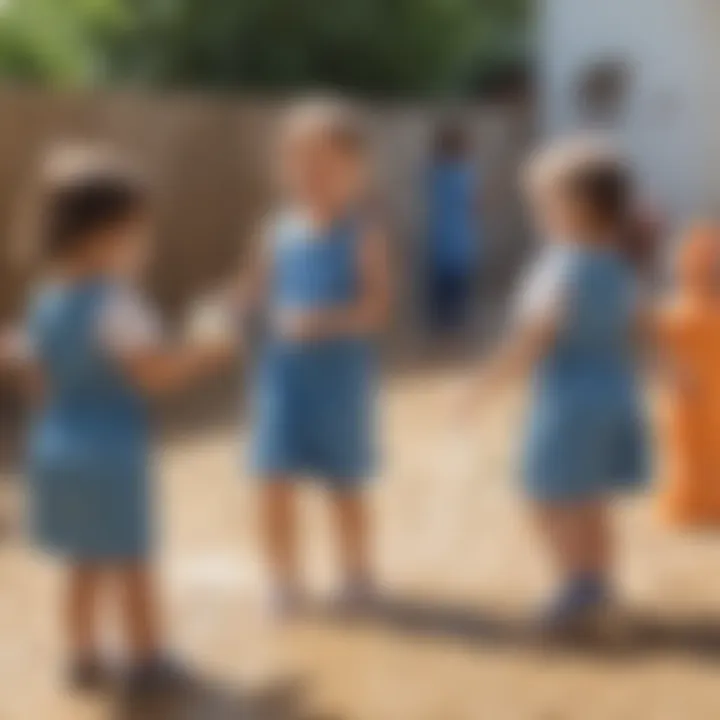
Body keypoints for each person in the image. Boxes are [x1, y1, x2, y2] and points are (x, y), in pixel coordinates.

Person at [21, 146, 235, 693]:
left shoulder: (45, 300)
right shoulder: (117, 303)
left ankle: (82, 658)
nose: (145, 247)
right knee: (133, 561)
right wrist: (209, 348)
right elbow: (155, 375)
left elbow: (39, 380)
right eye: (139, 234)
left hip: (54, 447)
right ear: (104, 236)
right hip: (110, 452)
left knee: (82, 561)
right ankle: (147, 661)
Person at [461, 137, 647, 632]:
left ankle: (574, 585)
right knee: (590, 498)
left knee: (545, 494)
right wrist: (679, 373)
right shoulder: (620, 267)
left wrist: (485, 384)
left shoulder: (559, 268)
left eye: (544, 202)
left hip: (568, 400)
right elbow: (640, 325)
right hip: (615, 394)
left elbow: (534, 338)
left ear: (578, 208)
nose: (537, 212)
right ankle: (600, 580)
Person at [238, 99, 390, 615]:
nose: (311, 172)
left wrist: (325, 321)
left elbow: (375, 309)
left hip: (340, 380)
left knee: (345, 484)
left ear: (356, 170)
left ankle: (357, 573)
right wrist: (225, 311)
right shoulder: (274, 231)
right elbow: (255, 295)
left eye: (326, 161)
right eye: (298, 160)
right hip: (281, 378)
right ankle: (282, 580)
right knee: (272, 480)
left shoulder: (363, 234)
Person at [656, 224, 720, 527]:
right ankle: (693, 503)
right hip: (689, 386)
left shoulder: (686, 307)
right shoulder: (680, 306)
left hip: (705, 382)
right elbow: (661, 348)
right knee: (688, 445)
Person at [425, 122, 481, 334]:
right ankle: (456, 333)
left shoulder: (433, 171)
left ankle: (442, 332)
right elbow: (474, 204)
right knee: (459, 290)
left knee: (440, 292)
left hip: (439, 236)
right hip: (461, 238)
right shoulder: (465, 171)